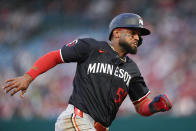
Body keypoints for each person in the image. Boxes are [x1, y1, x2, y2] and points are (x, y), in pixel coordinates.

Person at [3, 13, 172, 131]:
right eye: (133, 33)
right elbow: (56, 56)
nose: (138, 38)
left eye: (139, 35)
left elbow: (141, 105)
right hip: (76, 120)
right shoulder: (91, 47)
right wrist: (28, 76)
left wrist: (154, 106)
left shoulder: (132, 69)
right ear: (117, 32)